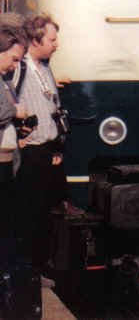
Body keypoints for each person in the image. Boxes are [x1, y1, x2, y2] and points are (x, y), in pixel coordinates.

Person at [14, 14, 81, 270]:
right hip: (30, 152)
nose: (57, 45)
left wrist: (57, 147)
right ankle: (28, 270)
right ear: (35, 40)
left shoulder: (44, 67)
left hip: (48, 150)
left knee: (46, 215)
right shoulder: (18, 68)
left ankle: (41, 267)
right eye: (52, 40)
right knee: (30, 215)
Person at [0, 26, 27, 258]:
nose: (15, 65)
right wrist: (15, 111)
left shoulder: (4, 80)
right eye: (13, 59)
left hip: (7, 162)